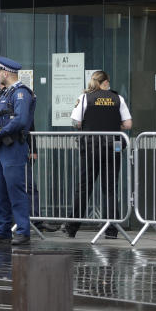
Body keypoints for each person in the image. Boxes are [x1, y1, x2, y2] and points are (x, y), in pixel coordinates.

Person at [64, 70, 132, 240]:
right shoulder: (118, 99)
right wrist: (116, 126)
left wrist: (85, 125)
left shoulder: (86, 98)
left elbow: (76, 122)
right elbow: (128, 124)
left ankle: (72, 227)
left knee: (84, 187)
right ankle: (111, 230)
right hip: (113, 147)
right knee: (110, 188)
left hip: (90, 147)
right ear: (106, 82)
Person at [0, 57, 37, 246]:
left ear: (5, 73)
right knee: (0, 191)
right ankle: (3, 231)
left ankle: (22, 231)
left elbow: (21, 120)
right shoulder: (5, 93)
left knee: (16, 190)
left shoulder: (21, 93)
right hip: (1, 147)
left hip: (13, 145)